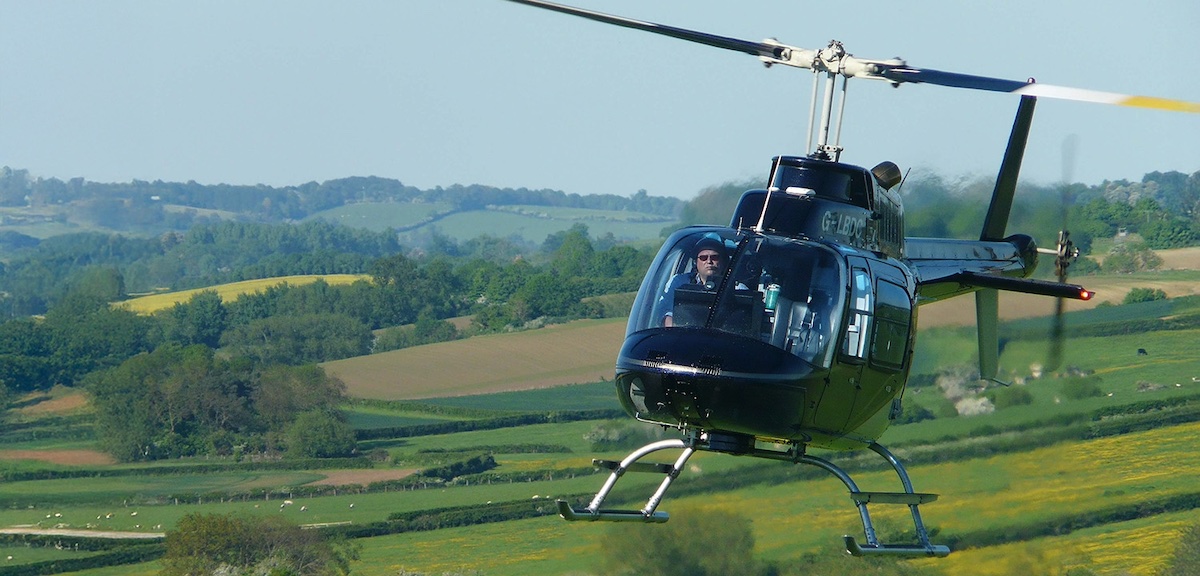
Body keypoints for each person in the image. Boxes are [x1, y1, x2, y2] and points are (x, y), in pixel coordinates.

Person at [661, 236, 729, 327]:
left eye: (714, 257)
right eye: (703, 258)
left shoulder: (737, 288)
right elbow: (666, 312)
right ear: (695, 262)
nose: (709, 261)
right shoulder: (678, 282)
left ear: (723, 261)